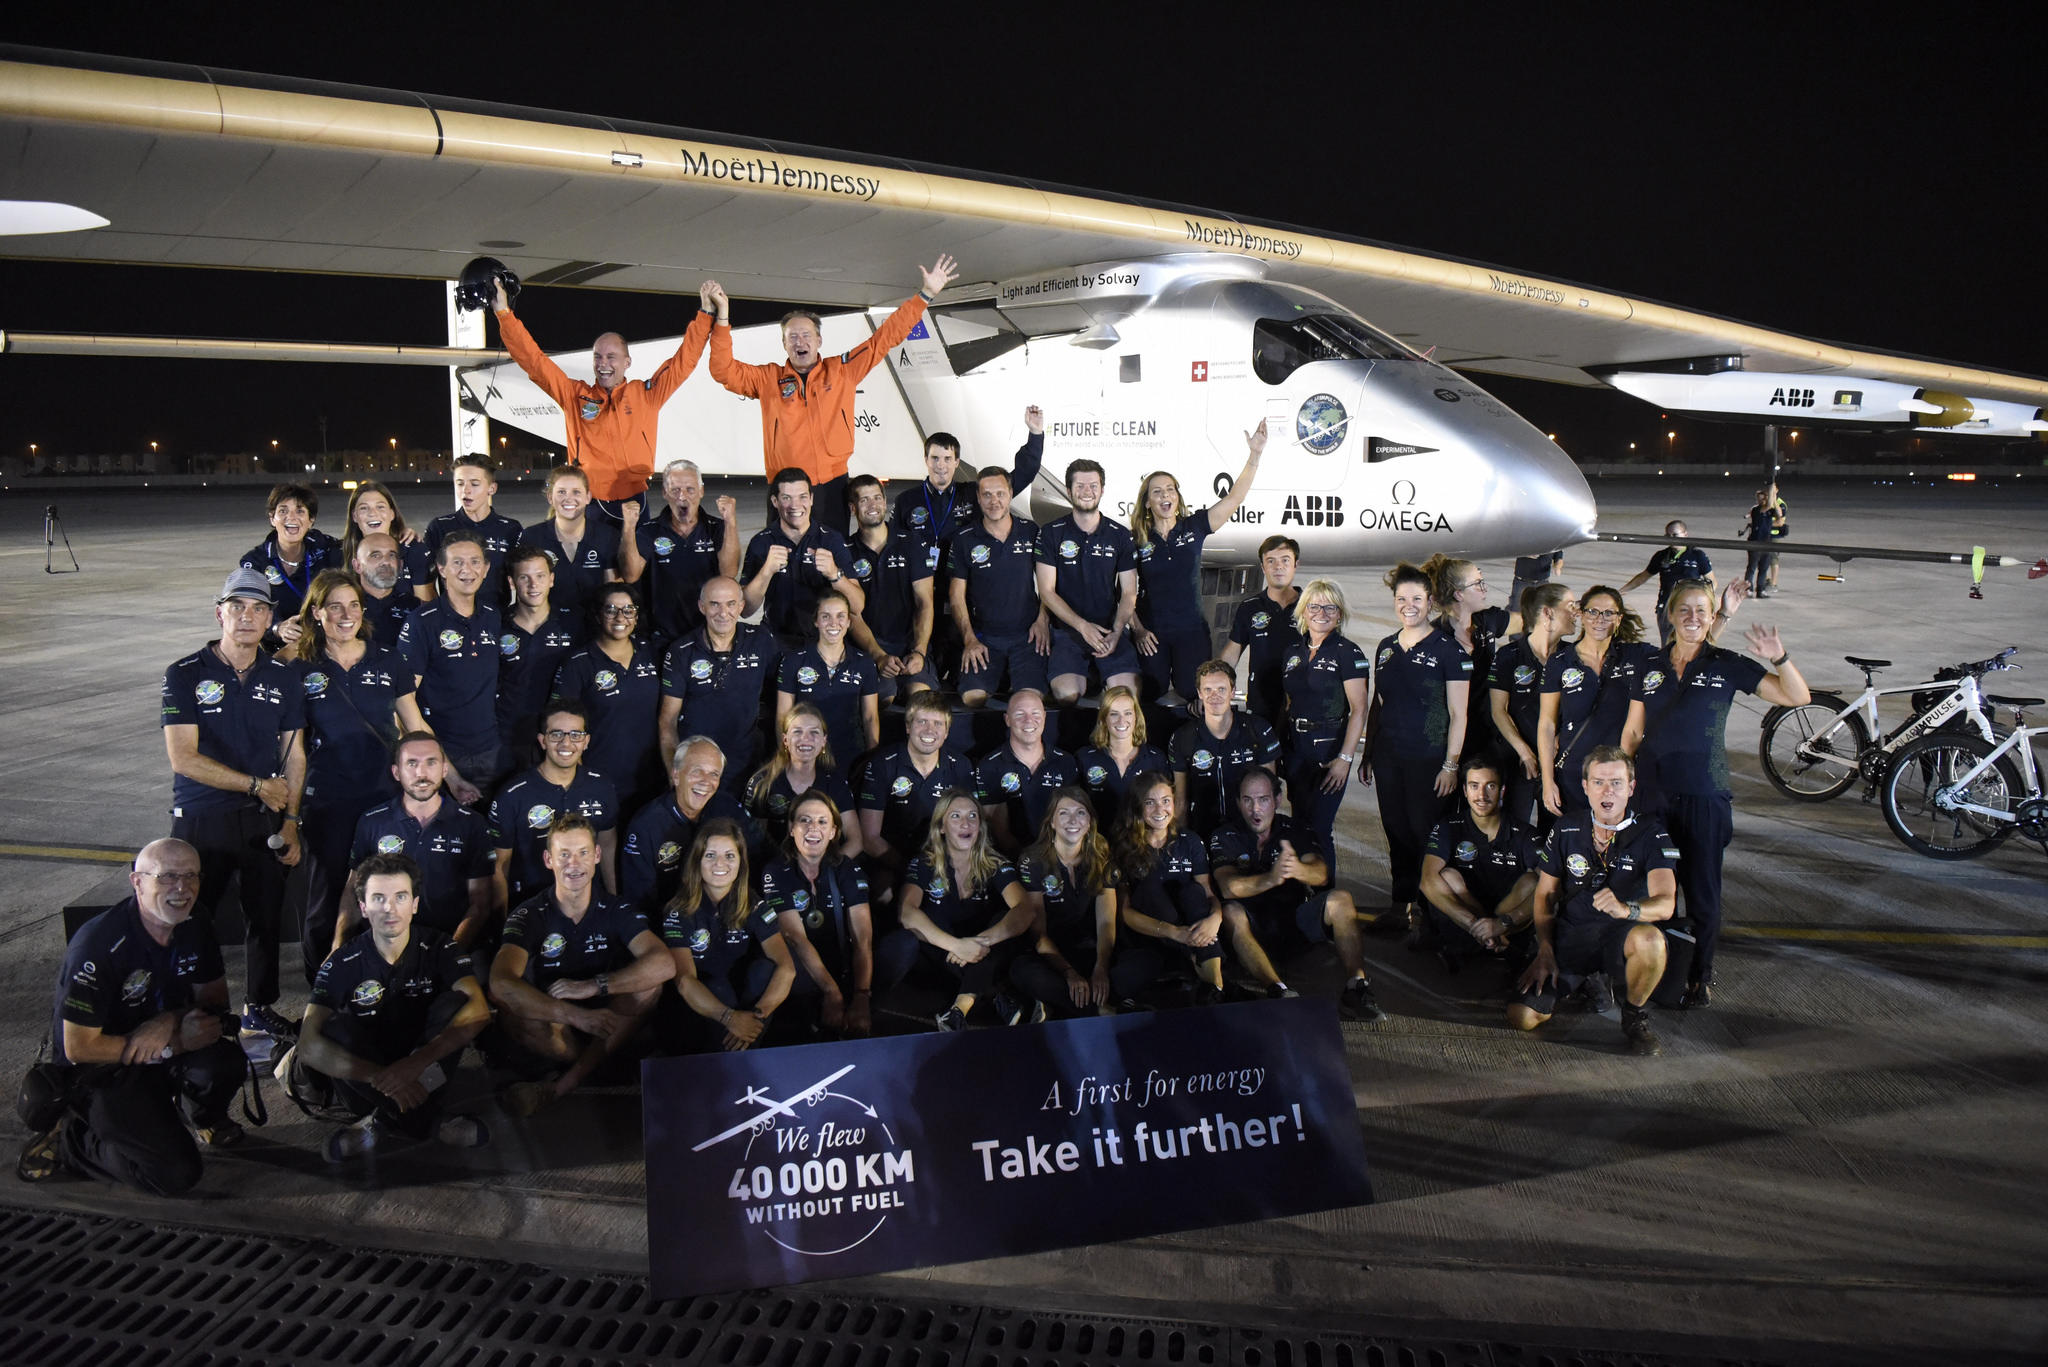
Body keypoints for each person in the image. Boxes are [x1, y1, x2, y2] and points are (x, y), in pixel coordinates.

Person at [20, 839, 247, 1191]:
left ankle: (202, 1117)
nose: (182, 888)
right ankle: (73, 1141)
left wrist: (168, 1023)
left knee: (225, 1060)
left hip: (164, 1046)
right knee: (174, 1175)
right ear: (137, 882)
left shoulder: (196, 922)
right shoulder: (98, 946)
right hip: (105, 1070)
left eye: (191, 876)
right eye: (167, 876)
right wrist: (172, 1046)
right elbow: (79, 1048)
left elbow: (215, 1002)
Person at [1622, 580, 1808, 1006]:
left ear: (1711, 618)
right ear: (1669, 615)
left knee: (1703, 889)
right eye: (1683, 610)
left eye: (1701, 612)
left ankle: (1699, 975)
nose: (1692, 618)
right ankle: (1645, 965)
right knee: (1646, 885)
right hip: (1651, 796)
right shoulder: (1648, 665)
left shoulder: (1726, 663)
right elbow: (1632, 731)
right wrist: (1623, 782)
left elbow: (1797, 695)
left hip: (1705, 794)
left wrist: (1779, 656)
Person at [161, 568, 306, 1050]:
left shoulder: (283, 677)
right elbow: (183, 757)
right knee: (191, 918)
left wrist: (290, 821)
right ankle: (194, 1011)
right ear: (219, 612)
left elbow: (295, 752)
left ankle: (259, 1008)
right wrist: (256, 786)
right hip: (202, 818)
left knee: (264, 918)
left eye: (259, 608)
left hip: (264, 819)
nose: (248, 616)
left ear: (270, 619)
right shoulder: (184, 674)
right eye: (238, 607)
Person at [705, 257, 959, 532]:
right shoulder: (768, 379)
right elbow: (722, 370)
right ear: (783, 343)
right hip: (786, 489)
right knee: (784, 559)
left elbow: (884, 338)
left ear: (819, 341)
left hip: (833, 485)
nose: (799, 342)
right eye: (792, 337)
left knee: (832, 558)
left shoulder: (841, 371)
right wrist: (722, 318)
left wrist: (926, 295)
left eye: (806, 335)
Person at [294, 852, 491, 1162]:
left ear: (414, 904)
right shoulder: (341, 962)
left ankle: (379, 1122)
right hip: (365, 1082)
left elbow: (479, 1011)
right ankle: (426, 1121)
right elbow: (307, 1045)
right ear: (363, 908)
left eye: (400, 897)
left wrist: (415, 1064)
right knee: (332, 1028)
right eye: (378, 898)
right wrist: (381, 1079)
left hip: (425, 1072)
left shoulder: (441, 946)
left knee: (457, 1004)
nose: (389, 908)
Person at [285, 570, 429, 982]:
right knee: (327, 899)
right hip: (327, 801)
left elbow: (414, 726)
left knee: (386, 894)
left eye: (353, 605)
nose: (345, 614)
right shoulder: (300, 667)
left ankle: (383, 981)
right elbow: (292, 749)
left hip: (383, 798)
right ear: (316, 612)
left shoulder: (388, 659)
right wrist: (292, 817)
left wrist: (448, 777)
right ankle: (323, 987)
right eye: (334, 606)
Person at [489, 815, 674, 1116]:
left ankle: (567, 1082)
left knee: (650, 984)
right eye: (564, 854)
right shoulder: (529, 914)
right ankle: (598, 1065)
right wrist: (571, 1014)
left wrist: (595, 985)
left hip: (607, 1016)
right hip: (560, 1024)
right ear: (549, 860)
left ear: (597, 855)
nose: (574, 864)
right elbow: (500, 983)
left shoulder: (617, 908)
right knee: (514, 1013)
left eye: (583, 853)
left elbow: (664, 963)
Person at [492, 277, 715, 518]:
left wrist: (705, 314)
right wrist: (504, 314)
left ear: (627, 362)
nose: (603, 364)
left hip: (634, 503)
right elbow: (534, 361)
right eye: (597, 357)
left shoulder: (646, 394)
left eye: (611, 357)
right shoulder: (574, 395)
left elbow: (685, 361)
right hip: (589, 503)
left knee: (637, 558)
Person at [1511, 749, 1677, 1056]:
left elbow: (1666, 903)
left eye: (1616, 782)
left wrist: (1628, 909)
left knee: (1652, 941)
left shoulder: (1652, 834)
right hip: (1574, 936)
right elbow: (1545, 895)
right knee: (1522, 1018)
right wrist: (1545, 949)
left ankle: (1634, 1016)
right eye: (1599, 782)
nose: (1608, 791)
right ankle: (1589, 980)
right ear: (1585, 786)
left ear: (1631, 787)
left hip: (1621, 936)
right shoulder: (1566, 829)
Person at [1209, 768, 1384, 1020]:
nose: (1255, 809)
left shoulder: (1295, 829)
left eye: (1263, 800)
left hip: (1296, 922)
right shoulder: (1224, 835)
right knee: (1231, 911)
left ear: (1277, 800)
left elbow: (1321, 874)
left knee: (1341, 899)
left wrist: (1297, 869)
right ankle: (1277, 990)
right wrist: (1272, 878)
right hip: (1252, 930)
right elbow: (1228, 886)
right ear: (1237, 802)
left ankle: (1357, 986)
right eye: (1247, 800)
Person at [1360, 567, 1468, 927]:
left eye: (1416, 599)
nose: (1409, 606)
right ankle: (1400, 904)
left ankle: (1431, 913)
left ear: (1430, 602)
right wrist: (1369, 752)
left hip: (1429, 760)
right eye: (1402, 599)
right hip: (1390, 758)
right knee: (1396, 829)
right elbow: (1380, 702)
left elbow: (1459, 713)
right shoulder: (1386, 647)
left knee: (1426, 834)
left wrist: (1451, 765)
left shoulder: (1449, 651)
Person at [1130, 420, 1266, 702]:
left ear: (1177, 497)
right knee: (1149, 691)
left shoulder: (1194, 527)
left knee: (1190, 691)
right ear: (1147, 502)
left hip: (1191, 630)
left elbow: (1235, 497)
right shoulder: (1134, 539)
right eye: (1157, 491)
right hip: (1151, 632)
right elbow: (1123, 593)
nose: (1165, 494)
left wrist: (1255, 455)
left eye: (1170, 489)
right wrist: (1139, 629)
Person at [896, 792, 1035, 1031]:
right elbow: (906, 912)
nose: (966, 823)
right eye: (956, 816)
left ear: (980, 826)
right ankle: (993, 994)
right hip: (943, 957)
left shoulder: (995, 863)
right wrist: (956, 946)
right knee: (927, 921)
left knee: (1003, 921)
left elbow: (1025, 910)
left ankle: (959, 1009)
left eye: (973, 816)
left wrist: (980, 942)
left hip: (982, 951)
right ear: (941, 827)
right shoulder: (924, 862)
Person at [656, 822, 795, 1053]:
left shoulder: (754, 903)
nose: (720, 863)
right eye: (710, 855)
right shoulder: (677, 911)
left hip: (746, 1006)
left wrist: (755, 1018)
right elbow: (684, 982)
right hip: (700, 1010)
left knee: (764, 971)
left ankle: (745, 1055)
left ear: (741, 863)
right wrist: (730, 1019)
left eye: (729, 855)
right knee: (717, 987)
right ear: (697, 861)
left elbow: (787, 968)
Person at [346, 733, 492, 953]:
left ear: (444, 769)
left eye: (431, 763)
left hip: (451, 945)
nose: (421, 774)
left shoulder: (472, 824)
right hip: (385, 949)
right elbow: (353, 890)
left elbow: (480, 903)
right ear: (396, 772)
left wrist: (449, 954)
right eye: (411, 763)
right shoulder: (372, 821)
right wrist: (338, 944)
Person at [762, 793, 893, 1037]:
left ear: (833, 832)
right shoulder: (776, 870)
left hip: (843, 962)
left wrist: (861, 995)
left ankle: (860, 1009)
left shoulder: (847, 868)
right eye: (805, 820)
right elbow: (794, 937)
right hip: (805, 969)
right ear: (791, 828)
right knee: (768, 970)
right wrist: (831, 992)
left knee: (901, 945)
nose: (813, 828)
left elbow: (862, 937)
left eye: (822, 822)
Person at [397, 531, 502, 803]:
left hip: (492, 750)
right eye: (457, 562)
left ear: (486, 568)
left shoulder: (493, 617)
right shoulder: (422, 622)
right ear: (441, 569)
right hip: (442, 753)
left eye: (475, 562)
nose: (467, 570)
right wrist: (447, 772)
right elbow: (404, 699)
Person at [1538, 586, 1656, 817]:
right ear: (1581, 614)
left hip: (1616, 781)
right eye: (1593, 612)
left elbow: (1685, 651)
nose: (1600, 619)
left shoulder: (1637, 656)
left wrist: (1720, 617)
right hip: (1572, 776)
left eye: (1608, 613)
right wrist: (1547, 781)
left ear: (1619, 619)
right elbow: (1546, 725)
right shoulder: (1560, 662)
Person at [489, 706, 620, 913]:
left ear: (586, 742)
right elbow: (500, 866)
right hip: (530, 906)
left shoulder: (602, 787)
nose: (566, 743)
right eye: (556, 734)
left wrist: (613, 902)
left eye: (576, 735)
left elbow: (608, 846)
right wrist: (502, 923)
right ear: (542, 741)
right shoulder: (512, 795)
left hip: (588, 906)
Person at [1112, 774, 1228, 1006]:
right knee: (1150, 888)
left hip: (1191, 933)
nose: (1159, 809)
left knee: (1192, 892)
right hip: (1151, 934)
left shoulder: (1190, 841)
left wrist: (1216, 917)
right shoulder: (1123, 847)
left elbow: (1207, 894)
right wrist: (1173, 932)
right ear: (1137, 807)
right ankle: (1196, 971)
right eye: (1149, 802)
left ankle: (1216, 988)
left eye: (1166, 800)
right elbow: (1124, 913)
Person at [1009, 787, 1121, 1020]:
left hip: (1091, 949)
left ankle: (1060, 1003)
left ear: (1090, 822)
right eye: (1064, 813)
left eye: (1080, 813)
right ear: (1051, 822)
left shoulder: (1102, 856)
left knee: (1143, 963)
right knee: (1022, 971)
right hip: (1051, 955)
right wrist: (1069, 972)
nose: (1073, 821)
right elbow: (1037, 933)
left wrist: (1101, 967)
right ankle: (1097, 1009)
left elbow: (1106, 922)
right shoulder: (1033, 860)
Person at [657, 576, 780, 788]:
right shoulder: (681, 652)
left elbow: (783, 694)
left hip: (747, 766)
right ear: (702, 607)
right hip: (697, 769)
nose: (723, 613)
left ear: (741, 606)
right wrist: (674, 774)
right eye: (715, 604)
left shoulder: (760, 640)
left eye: (731, 604)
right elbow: (667, 722)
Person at [1036, 459, 1141, 706]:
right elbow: (1047, 592)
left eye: (1093, 485)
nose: (1087, 491)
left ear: (1102, 489)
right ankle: (1089, 678)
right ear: (1069, 489)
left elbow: (1129, 593)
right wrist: (1082, 626)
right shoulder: (1051, 532)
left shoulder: (1120, 534)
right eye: (1080, 485)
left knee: (1127, 695)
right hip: (1067, 633)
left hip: (1108, 631)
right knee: (1066, 694)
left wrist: (1117, 631)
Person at [551, 584, 663, 812]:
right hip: (599, 779)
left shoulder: (652, 653)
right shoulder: (579, 663)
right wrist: (580, 781)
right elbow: (561, 724)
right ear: (598, 615)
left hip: (651, 780)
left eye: (628, 610)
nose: (620, 617)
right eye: (611, 610)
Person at [1419, 758, 1540, 969]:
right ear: (1465, 791)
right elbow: (1427, 882)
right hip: (1466, 921)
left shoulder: (1525, 833)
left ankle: (1500, 940)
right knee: (1447, 876)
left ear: (1502, 791)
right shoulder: (1449, 826)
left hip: (1507, 923)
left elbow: (1549, 888)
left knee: (1534, 881)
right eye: (1474, 786)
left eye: (1490, 786)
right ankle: (1480, 940)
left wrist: (1502, 924)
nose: (1481, 795)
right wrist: (1474, 924)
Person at [952, 462, 1052, 708]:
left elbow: (1049, 586)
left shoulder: (1031, 531)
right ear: (978, 497)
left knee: (1029, 702)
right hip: (985, 638)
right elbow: (956, 596)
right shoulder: (964, 539)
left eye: (1000, 494)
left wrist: (1042, 621)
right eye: (986, 494)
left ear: (1010, 494)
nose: (993, 501)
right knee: (972, 698)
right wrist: (969, 639)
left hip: (1028, 635)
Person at [856, 691, 977, 891]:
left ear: (947, 732)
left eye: (938, 724)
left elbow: (973, 829)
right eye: (922, 722)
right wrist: (912, 869)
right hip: (893, 859)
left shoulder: (961, 766)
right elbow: (870, 839)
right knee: (883, 892)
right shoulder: (881, 764)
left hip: (946, 859)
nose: (930, 730)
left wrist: (948, 866)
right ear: (908, 726)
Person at [617, 460, 741, 648]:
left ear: (701, 491)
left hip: (707, 636)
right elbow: (630, 574)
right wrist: (628, 527)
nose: (682, 496)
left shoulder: (718, 528)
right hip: (661, 637)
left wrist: (731, 522)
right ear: (665, 493)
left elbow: (729, 572)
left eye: (690, 489)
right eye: (675, 490)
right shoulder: (649, 531)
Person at [619, 737, 748, 916]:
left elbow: (762, 854)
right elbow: (638, 904)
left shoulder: (728, 809)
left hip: (724, 919)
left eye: (714, 774)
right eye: (697, 771)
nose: (706, 782)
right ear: (676, 775)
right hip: (666, 924)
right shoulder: (646, 826)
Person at [743, 467, 865, 648]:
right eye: (786, 498)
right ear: (775, 501)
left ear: (812, 499)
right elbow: (745, 610)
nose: (795, 505)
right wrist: (766, 572)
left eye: (802, 497)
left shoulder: (831, 539)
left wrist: (834, 574)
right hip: (776, 641)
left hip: (823, 642)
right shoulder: (761, 542)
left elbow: (857, 606)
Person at [1486, 583, 1576, 829]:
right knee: (1513, 830)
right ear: (1547, 613)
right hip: (1517, 760)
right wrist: (1525, 753)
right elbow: (1498, 711)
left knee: (1557, 831)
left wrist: (1560, 739)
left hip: (1559, 760)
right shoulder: (1509, 656)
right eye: (1570, 607)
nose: (1576, 613)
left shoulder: (1574, 657)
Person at [844, 474, 937, 703]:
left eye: (877, 498)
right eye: (865, 500)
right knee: (883, 699)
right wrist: (877, 655)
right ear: (852, 508)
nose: (873, 505)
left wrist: (919, 652)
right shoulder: (845, 551)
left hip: (909, 646)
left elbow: (925, 603)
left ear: (885, 502)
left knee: (921, 700)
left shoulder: (912, 543)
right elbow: (851, 614)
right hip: (867, 648)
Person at [1171, 659, 1282, 843]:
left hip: (1248, 833)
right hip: (1202, 832)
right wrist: (1182, 845)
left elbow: (1268, 796)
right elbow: (1180, 801)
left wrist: (1265, 842)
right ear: (1199, 693)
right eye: (1208, 690)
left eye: (1221, 689)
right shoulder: (1183, 737)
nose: (1214, 695)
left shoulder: (1257, 730)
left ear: (1232, 691)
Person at [497, 548, 584, 772]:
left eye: (540, 576)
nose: (533, 585)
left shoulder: (574, 625)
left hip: (558, 741)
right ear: (512, 582)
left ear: (551, 580)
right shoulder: (495, 625)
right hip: (505, 741)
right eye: (524, 577)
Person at [775, 591, 879, 779]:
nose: (833, 623)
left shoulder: (864, 663)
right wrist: (786, 756)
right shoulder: (793, 661)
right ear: (816, 621)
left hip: (851, 755)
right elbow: (783, 716)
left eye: (840, 616)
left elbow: (870, 717)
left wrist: (872, 760)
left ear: (849, 622)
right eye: (826, 616)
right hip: (806, 754)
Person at [746, 705, 860, 860]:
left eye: (813, 732)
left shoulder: (834, 783)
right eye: (797, 731)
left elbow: (856, 841)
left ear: (823, 741)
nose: (805, 739)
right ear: (785, 739)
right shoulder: (763, 783)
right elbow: (752, 840)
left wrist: (826, 869)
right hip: (776, 869)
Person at [975, 689, 1079, 856]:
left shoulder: (1065, 762)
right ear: (1007, 720)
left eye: (1035, 713)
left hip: (1059, 856)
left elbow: (1075, 820)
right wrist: (1028, 861)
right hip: (1011, 858)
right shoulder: (990, 765)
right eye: (1019, 714)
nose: (1029, 720)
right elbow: (997, 829)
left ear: (1045, 717)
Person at [240, 483, 342, 647]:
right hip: (279, 650)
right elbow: (248, 610)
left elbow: (360, 548)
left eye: (300, 511)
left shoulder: (325, 548)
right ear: (272, 518)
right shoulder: (255, 562)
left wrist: (396, 535)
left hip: (326, 645)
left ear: (311, 520)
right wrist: (277, 628)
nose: (292, 517)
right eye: (283, 511)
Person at [1425, 554, 1503, 765]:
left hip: (1487, 736)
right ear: (1459, 594)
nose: (1484, 589)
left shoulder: (1489, 620)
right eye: (1478, 584)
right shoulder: (1433, 637)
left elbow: (1531, 622)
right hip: (1448, 740)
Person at [1221, 535, 1305, 726]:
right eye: (1271, 561)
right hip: (1261, 705)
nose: (1278, 567)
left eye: (1285, 560)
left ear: (1295, 564)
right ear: (1262, 567)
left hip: (1301, 705)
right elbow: (1231, 655)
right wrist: (1213, 684)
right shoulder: (1249, 608)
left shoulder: (1311, 607)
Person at [519, 465, 621, 621]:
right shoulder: (533, 537)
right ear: (550, 498)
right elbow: (524, 591)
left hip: (594, 629)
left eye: (576, 492)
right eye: (561, 492)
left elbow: (611, 590)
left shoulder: (607, 535)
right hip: (548, 629)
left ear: (588, 497)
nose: (568, 498)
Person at [423, 455, 522, 608]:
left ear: (492, 488)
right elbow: (425, 579)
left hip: (497, 620)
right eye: (460, 483)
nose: (466, 491)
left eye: (474, 484)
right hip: (453, 623)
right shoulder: (439, 527)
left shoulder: (510, 529)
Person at [1074, 685, 1168, 828]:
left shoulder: (1155, 759)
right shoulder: (1085, 758)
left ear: (1136, 717)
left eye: (1128, 713)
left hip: (1141, 844)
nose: (1121, 720)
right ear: (1104, 718)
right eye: (1114, 714)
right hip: (1097, 843)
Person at [1619, 521, 1714, 644]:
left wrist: (1705, 603)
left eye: (1675, 535)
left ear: (1685, 534)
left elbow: (1712, 582)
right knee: (1668, 644)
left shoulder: (1697, 556)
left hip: (1690, 609)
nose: (1671, 539)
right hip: (1667, 607)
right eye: (1668, 536)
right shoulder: (1662, 556)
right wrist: (1623, 590)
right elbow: (1644, 576)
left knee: (1692, 642)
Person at [342, 480, 435, 604]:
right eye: (364, 508)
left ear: (392, 514)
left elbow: (425, 610)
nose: (372, 513)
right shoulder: (341, 553)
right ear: (354, 516)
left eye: (380, 507)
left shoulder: (413, 551)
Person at [351, 532, 418, 648]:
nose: (386, 561)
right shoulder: (343, 608)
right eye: (375, 555)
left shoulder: (416, 608)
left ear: (400, 565)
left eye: (392, 555)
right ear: (357, 566)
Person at [1739, 486, 1786, 598]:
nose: (1762, 501)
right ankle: (1748, 589)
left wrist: (1773, 498)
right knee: (1752, 567)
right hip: (1755, 543)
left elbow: (1780, 515)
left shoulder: (1770, 511)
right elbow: (1770, 507)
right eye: (1760, 499)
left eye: (1764, 499)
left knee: (1763, 568)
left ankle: (1760, 590)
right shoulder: (1756, 510)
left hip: (1766, 543)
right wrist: (1772, 491)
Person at [1507, 548, 1565, 621]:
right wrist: (1526, 553)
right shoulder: (1530, 539)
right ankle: (1514, 631)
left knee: (1541, 611)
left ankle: (1535, 631)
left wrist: (1557, 567)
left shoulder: (1554, 542)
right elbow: (1514, 548)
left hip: (1542, 583)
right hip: (1522, 581)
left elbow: (1559, 557)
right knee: (1517, 609)